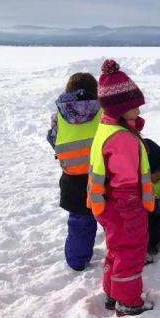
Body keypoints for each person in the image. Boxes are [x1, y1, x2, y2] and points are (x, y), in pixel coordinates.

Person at [87, 59, 154, 316]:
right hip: (123, 206)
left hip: (106, 205)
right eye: (133, 106)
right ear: (119, 109)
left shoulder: (106, 128)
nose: (138, 110)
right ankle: (129, 302)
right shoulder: (122, 139)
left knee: (116, 250)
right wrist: (132, 216)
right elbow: (125, 184)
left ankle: (112, 293)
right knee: (130, 251)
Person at [47, 72, 102, 271]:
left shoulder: (59, 116)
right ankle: (119, 254)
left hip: (72, 179)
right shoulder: (103, 110)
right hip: (102, 176)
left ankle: (76, 261)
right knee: (113, 220)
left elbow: (54, 139)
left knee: (79, 223)